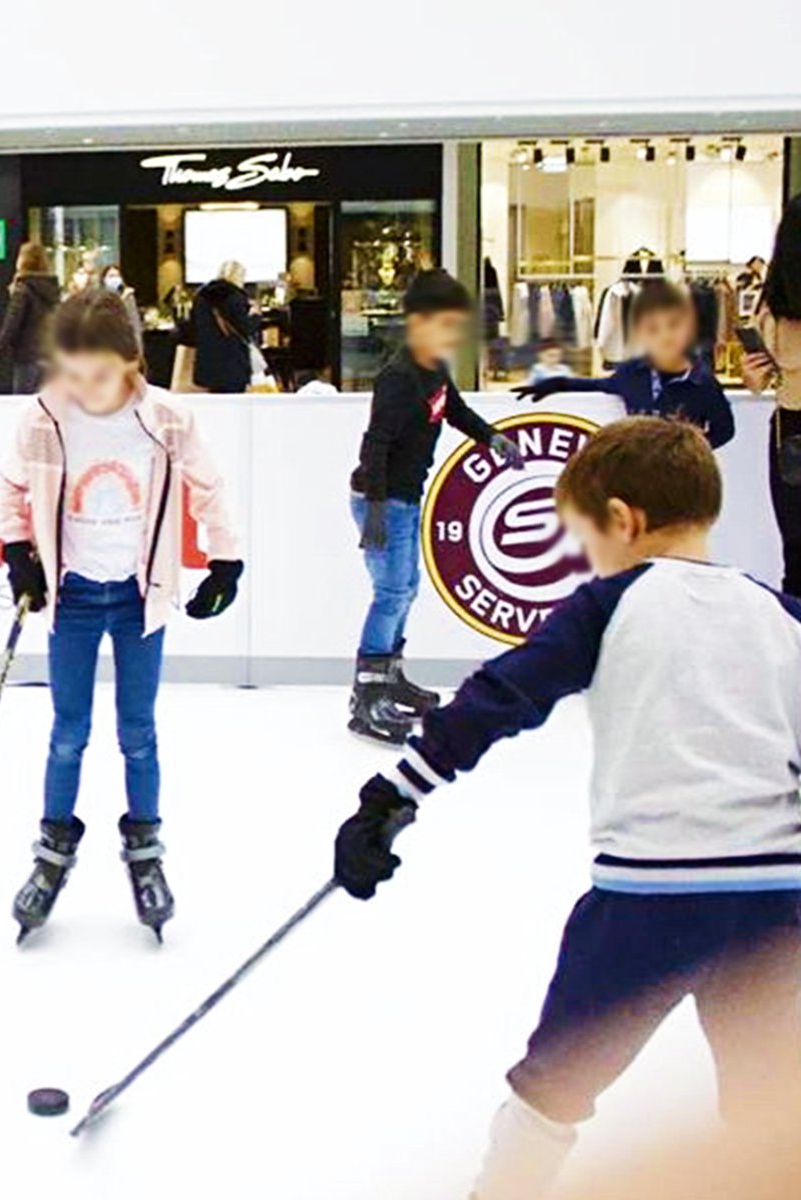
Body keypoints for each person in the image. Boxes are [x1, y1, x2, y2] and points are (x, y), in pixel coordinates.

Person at [333, 418, 801, 1200]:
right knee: (769, 1108)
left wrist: (390, 796)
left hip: (646, 902)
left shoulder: (609, 606)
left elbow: (498, 698)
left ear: (625, 521)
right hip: (773, 906)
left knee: (554, 1086)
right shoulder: (780, 616)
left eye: (590, 537)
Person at [0, 289, 243, 942]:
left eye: (100, 371)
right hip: (72, 598)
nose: (86, 385)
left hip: (140, 598)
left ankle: (146, 854)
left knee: (138, 733)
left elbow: (208, 487)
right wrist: (18, 549)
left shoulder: (166, 419)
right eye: (75, 369)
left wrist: (225, 560)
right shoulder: (43, 417)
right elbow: (12, 489)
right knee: (68, 733)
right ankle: (51, 857)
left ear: (132, 361)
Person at [348, 269, 524, 744]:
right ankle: (366, 698)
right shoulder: (399, 377)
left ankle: (390, 677)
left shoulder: (434, 369)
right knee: (390, 593)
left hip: (406, 497)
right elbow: (375, 445)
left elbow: (455, 411)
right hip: (383, 499)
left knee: (406, 589)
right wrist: (378, 512)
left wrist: (491, 437)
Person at [516, 279, 734, 449]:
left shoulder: (702, 382)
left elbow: (724, 430)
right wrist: (554, 384)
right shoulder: (633, 373)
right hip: (638, 476)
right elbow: (597, 385)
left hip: (684, 480)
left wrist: (692, 449)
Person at [744, 194, 801, 596]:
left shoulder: (771, 308)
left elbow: (759, 380)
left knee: (796, 557)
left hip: (789, 431)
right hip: (790, 430)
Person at [0, 242, 60, 393]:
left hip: (27, 355)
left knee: (23, 402)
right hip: (49, 354)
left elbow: (12, 322)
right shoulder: (53, 289)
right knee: (44, 404)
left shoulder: (23, 289)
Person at [192, 259, 258, 393]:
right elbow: (245, 329)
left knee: (216, 403)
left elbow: (192, 327)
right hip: (232, 363)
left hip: (208, 361)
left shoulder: (202, 297)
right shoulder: (235, 297)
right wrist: (256, 316)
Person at [100, 262, 143, 354]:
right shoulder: (99, 298)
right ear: (104, 279)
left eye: (116, 276)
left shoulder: (128, 296)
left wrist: (139, 349)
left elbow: (135, 323)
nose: (114, 279)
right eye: (111, 276)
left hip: (124, 344)